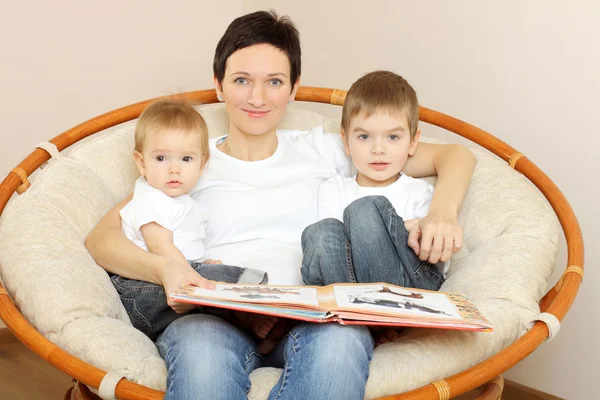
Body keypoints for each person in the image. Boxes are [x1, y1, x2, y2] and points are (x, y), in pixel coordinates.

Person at [85, 10, 475, 400]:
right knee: (201, 352)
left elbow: (456, 156)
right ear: (219, 85)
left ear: (293, 88)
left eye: (274, 81)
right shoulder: (188, 161)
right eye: (241, 81)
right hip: (216, 316)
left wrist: (442, 212)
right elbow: (102, 239)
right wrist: (167, 267)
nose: (257, 98)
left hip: (314, 316)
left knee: (342, 342)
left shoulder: (324, 149)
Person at [110, 99, 268, 341]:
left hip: (172, 280)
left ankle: (247, 325)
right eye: (161, 159)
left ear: (202, 164)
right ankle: (249, 315)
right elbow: (160, 246)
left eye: (186, 159)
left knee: (215, 277)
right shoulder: (151, 197)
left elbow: (183, 246)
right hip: (142, 289)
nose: (174, 169)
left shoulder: (186, 203)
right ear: (141, 163)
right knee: (232, 279)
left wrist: (204, 264)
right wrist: (197, 280)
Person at [301, 71, 446, 292]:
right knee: (320, 232)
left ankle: (382, 311)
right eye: (364, 137)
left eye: (393, 137)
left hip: (411, 285)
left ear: (413, 142)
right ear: (346, 141)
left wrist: (409, 231)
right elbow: (331, 251)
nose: (378, 149)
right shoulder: (334, 188)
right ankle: (356, 313)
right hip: (351, 287)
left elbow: (437, 258)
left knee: (365, 210)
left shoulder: (419, 191)